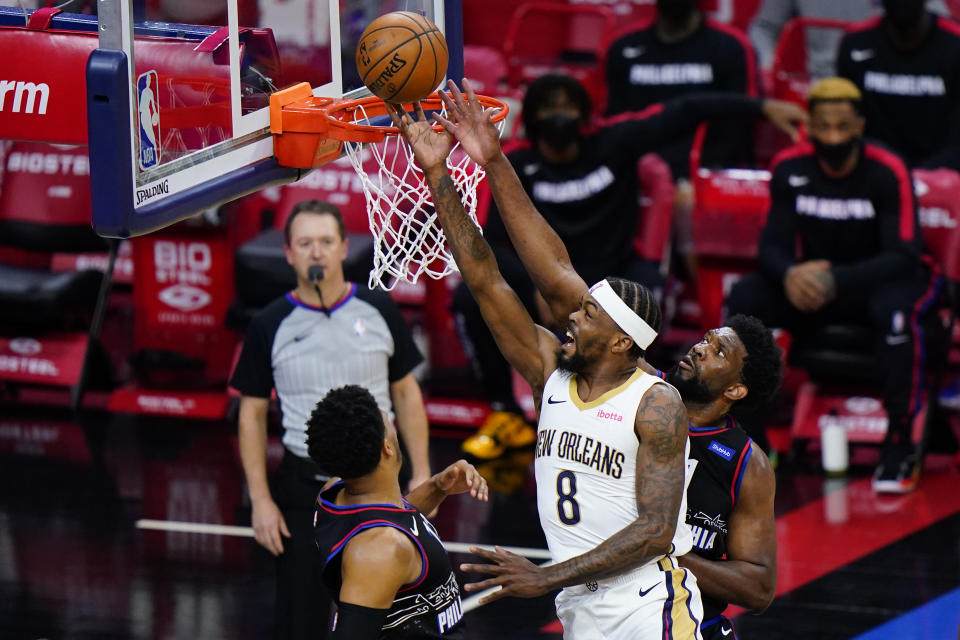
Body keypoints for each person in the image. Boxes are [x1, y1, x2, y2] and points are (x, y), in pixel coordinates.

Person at [392, 80, 732, 640]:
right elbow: (485, 277)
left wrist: (547, 576)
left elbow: (653, 531)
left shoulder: (655, 401)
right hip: (582, 606)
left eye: (590, 315)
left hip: (650, 606)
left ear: (624, 341)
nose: (572, 317)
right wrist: (440, 174)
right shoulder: (549, 371)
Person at [455, 72, 806, 460]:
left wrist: (762, 107)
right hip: (549, 277)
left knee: (634, 308)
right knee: (472, 297)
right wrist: (532, 285)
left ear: (586, 112)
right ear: (533, 116)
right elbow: (490, 242)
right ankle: (504, 411)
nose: (560, 115)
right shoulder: (516, 162)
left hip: (615, 285)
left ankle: (655, 422)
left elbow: (687, 109)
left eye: (569, 105)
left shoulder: (614, 141)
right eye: (549, 107)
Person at [229, 200, 431, 640]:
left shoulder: (379, 309)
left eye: (325, 242)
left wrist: (423, 470)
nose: (316, 252)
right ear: (288, 253)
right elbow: (253, 412)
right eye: (305, 243)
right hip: (305, 492)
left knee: (391, 618)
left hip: (381, 490)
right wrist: (260, 500)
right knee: (299, 617)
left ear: (344, 247)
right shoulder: (269, 323)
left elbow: (406, 393)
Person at [726, 78, 937, 493]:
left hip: (877, 281)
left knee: (895, 315)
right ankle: (753, 440)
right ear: (811, 127)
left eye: (842, 127)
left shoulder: (888, 169)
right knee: (746, 300)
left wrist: (835, 279)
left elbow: (905, 254)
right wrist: (790, 275)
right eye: (823, 126)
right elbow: (771, 246)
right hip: (814, 284)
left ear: (859, 125)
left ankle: (900, 444)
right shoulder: (790, 168)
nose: (833, 137)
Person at [307, 384, 488, 639]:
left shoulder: (336, 491)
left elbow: (392, 517)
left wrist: (438, 486)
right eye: (386, 419)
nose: (391, 420)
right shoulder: (382, 550)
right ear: (387, 447)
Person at [654, 316, 781, 638]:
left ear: (735, 389)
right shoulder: (640, 391)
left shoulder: (746, 462)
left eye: (719, 351)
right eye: (705, 339)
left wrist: (666, 555)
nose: (699, 349)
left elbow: (758, 589)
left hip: (695, 626)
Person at [604, 0, 760, 179]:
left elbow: (739, 125)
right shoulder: (622, 47)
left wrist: (694, 174)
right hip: (638, 171)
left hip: (708, 170)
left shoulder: (731, 46)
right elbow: (614, 121)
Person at [837, 0, 960, 170]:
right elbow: (844, 125)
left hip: (943, 174)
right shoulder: (855, 43)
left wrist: (919, 179)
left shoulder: (955, 44)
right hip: (872, 172)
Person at [749, 0, 948, 80]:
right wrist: (767, 65)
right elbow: (763, 28)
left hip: (889, 76)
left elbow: (940, 22)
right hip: (824, 80)